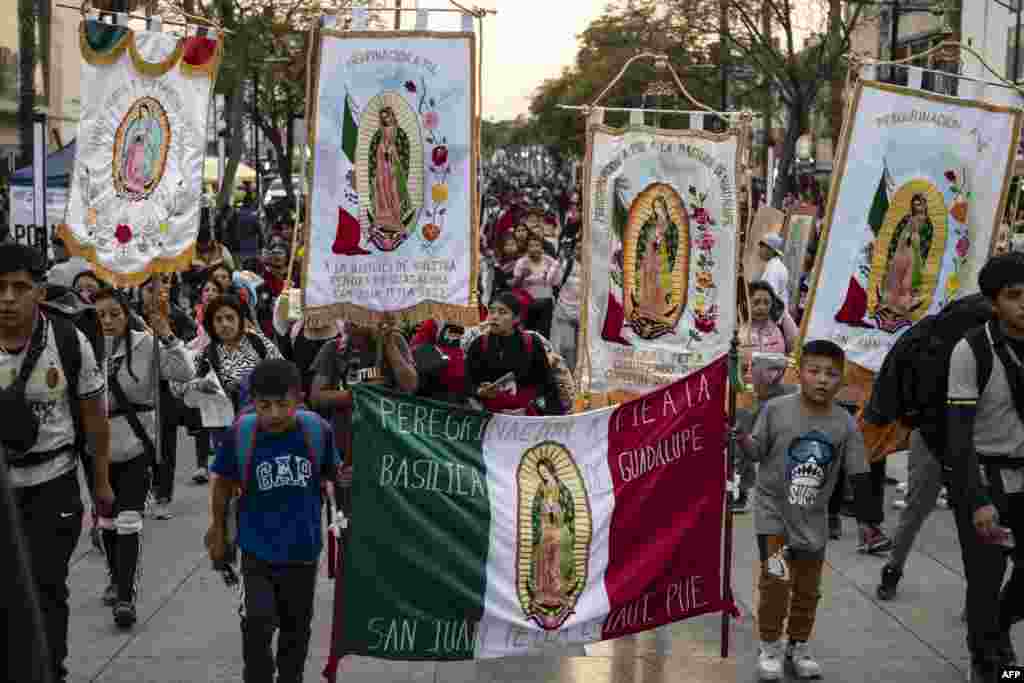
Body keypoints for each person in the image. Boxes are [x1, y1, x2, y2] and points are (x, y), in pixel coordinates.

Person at [0, 243, 111, 682]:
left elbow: (94, 416)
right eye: (0, 288)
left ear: (40, 292)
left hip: (53, 485)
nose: (8, 298)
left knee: (47, 589)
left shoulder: (68, 340)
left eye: (20, 288)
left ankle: (51, 671)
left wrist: (101, 483)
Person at [737, 339, 871, 681]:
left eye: (831, 373)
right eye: (814, 371)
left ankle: (798, 644)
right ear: (800, 373)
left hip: (813, 519)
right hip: (773, 514)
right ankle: (770, 645)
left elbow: (858, 472)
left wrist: (869, 520)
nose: (822, 379)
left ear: (842, 378)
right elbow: (756, 452)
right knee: (777, 580)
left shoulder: (845, 423)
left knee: (808, 588)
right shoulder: (776, 409)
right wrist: (740, 440)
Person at [205, 359, 341, 683]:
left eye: (283, 404)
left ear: (300, 398)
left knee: (296, 630)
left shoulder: (317, 430)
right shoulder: (243, 432)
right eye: (265, 405)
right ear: (253, 402)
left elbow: (335, 475)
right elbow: (222, 483)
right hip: (256, 551)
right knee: (257, 622)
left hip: (303, 551)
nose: (275, 414)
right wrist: (218, 530)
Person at [91, 287, 193, 626]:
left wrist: (166, 335)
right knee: (105, 520)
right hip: (98, 447)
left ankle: (125, 597)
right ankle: (115, 575)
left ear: (126, 312)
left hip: (137, 443)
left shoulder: (145, 343)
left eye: (114, 313)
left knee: (128, 519)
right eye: (100, 314)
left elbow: (183, 373)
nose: (107, 320)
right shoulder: (86, 347)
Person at [945, 253, 1024, 681]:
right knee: (986, 576)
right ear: (995, 302)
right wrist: (976, 499)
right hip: (984, 476)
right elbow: (958, 436)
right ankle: (988, 663)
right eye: (1014, 296)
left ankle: (996, 630)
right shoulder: (972, 349)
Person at [179, 294, 282, 483]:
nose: (225, 324)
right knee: (232, 483)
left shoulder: (258, 343)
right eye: (218, 319)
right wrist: (199, 385)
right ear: (211, 324)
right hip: (224, 429)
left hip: (264, 424)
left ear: (240, 319)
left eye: (230, 318)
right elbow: (182, 386)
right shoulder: (206, 354)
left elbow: (283, 373)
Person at [733, 281, 800, 514]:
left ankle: (779, 493)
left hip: (774, 395)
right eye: (756, 302)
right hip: (745, 394)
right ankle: (739, 491)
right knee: (741, 444)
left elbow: (797, 349)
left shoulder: (781, 323)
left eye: (766, 302)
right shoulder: (737, 324)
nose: (761, 307)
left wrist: (785, 364)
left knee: (774, 445)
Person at [136, 275, 197, 518]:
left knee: (166, 444)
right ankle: (143, 490)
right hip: (140, 388)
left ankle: (164, 495)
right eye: (149, 289)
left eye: (160, 289)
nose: (154, 294)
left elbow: (191, 340)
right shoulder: (130, 316)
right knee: (143, 443)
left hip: (167, 387)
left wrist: (168, 336)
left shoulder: (176, 315)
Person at [465, 292, 558, 416]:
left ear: (516, 318)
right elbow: (467, 383)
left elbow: (547, 385)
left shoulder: (532, 343)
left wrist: (529, 410)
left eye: (502, 312)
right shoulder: (478, 344)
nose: (494, 317)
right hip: (490, 417)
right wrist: (480, 391)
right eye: (491, 311)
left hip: (526, 417)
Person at [513, 235, 560, 338]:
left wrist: (550, 275)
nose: (534, 248)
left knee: (544, 334)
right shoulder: (521, 262)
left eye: (537, 245)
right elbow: (514, 285)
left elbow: (556, 283)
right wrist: (522, 276)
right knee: (528, 334)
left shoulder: (550, 261)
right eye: (531, 246)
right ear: (527, 248)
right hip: (527, 304)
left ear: (542, 247)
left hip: (546, 303)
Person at [551, 239, 582, 375]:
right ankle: (569, 378)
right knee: (567, 348)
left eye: (583, 248)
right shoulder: (567, 264)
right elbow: (552, 281)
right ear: (573, 250)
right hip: (565, 312)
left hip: (585, 314)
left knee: (584, 350)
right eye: (577, 248)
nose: (580, 251)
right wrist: (558, 262)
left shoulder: (596, 266)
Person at [758, 233, 790, 309]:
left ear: (771, 250)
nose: (760, 249)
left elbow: (769, 296)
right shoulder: (776, 265)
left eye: (763, 246)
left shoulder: (774, 268)